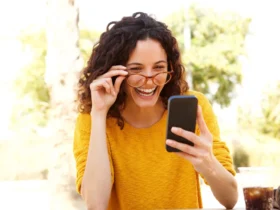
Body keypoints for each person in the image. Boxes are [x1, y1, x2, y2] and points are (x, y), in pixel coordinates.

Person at [73, 12, 238, 210]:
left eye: (159, 67)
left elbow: (230, 199)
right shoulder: (93, 117)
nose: (149, 78)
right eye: (136, 69)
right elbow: (95, 205)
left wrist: (208, 162)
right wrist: (99, 114)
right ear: (114, 71)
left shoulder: (195, 107)